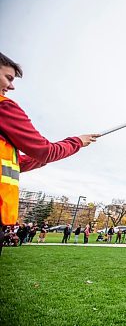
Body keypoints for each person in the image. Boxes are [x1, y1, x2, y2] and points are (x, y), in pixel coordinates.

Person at [0, 52, 99, 254]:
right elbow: (44, 151)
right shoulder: (4, 106)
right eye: (8, 78)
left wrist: (43, 158)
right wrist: (76, 142)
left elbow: (16, 163)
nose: (11, 87)